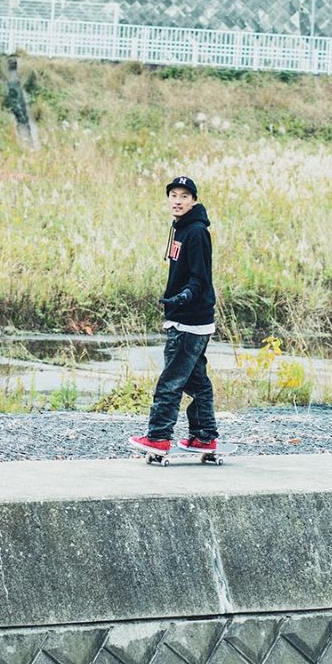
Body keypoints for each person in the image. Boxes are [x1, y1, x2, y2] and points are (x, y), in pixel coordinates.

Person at [130, 175, 219, 457]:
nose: (177, 201)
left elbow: (200, 277)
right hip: (190, 318)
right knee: (196, 382)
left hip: (190, 320)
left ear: (194, 200)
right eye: (173, 195)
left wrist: (184, 296)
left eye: (184, 196)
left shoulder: (196, 232)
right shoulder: (180, 228)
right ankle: (204, 437)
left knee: (170, 381)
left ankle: (158, 437)